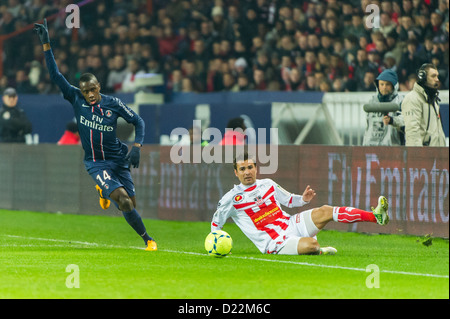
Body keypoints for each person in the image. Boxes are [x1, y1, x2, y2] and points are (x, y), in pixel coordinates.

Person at [34, 19, 157, 251]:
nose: (90, 94)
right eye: (86, 91)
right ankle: (148, 240)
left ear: (99, 86)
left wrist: (137, 147)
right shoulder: (75, 97)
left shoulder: (114, 104)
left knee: (130, 204)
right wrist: (46, 44)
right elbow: (55, 75)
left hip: (119, 159)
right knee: (123, 199)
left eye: (93, 89)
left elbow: (138, 121)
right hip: (95, 162)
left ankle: (104, 190)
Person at [211, 152, 389, 255]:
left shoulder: (268, 184)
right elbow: (216, 223)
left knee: (325, 210)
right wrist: (216, 242)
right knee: (311, 245)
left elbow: (289, 200)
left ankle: (375, 216)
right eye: (242, 169)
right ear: (236, 173)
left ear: (256, 168)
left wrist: (303, 199)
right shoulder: (231, 199)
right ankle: (319, 250)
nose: (247, 172)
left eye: (250, 167)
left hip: (290, 223)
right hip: (274, 242)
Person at [402, 63, 446, 146]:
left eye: (437, 76)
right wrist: (418, 156)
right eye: (433, 76)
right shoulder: (412, 99)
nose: (437, 79)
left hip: (436, 154)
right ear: (423, 77)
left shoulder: (432, 99)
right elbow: (412, 132)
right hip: (423, 155)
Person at [363, 69, 405, 146]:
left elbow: (405, 120)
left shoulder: (401, 101)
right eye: (381, 84)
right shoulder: (372, 101)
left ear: (394, 86)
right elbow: (368, 127)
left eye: (387, 84)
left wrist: (392, 120)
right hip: (371, 146)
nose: (384, 87)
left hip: (393, 147)